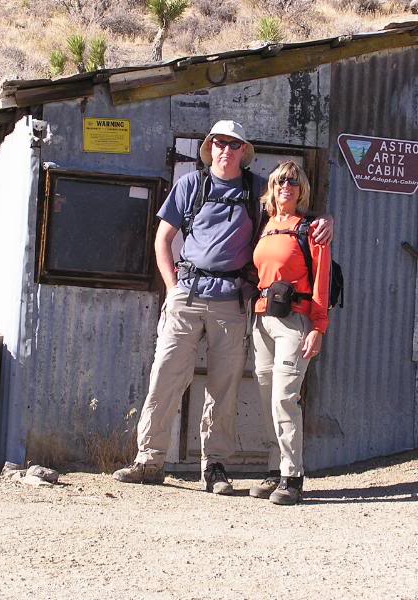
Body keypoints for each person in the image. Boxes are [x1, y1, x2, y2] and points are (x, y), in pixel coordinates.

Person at [112, 121, 333, 494]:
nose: (225, 150)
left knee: (223, 387)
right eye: (218, 143)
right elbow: (163, 239)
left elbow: (291, 215)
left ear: (244, 151)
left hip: (231, 300)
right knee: (165, 374)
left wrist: (327, 221)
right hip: (187, 294)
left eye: (233, 144)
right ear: (209, 148)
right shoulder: (190, 185)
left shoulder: (255, 191)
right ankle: (149, 459)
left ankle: (213, 467)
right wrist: (171, 288)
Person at [248, 161, 331, 505]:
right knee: (268, 397)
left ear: (302, 190)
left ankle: (292, 477)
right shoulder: (265, 227)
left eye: (294, 182)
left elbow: (322, 280)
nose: (288, 186)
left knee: (285, 397)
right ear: (272, 187)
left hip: (296, 323)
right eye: (281, 181)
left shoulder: (311, 229)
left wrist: (319, 327)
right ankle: (274, 468)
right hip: (263, 320)